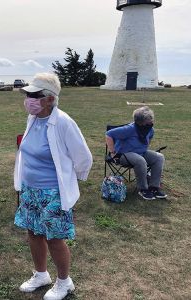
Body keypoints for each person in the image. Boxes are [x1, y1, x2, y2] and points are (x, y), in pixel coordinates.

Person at [14, 73, 93, 300]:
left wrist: (69, 182)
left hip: (53, 191)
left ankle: (64, 282)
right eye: (28, 94)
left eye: (34, 95)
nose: (29, 98)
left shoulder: (64, 122)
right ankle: (41, 275)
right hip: (30, 189)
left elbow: (83, 158)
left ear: (50, 99)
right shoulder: (33, 118)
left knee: (54, 238)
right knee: (34, 233)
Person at [105, 106, 167, 200]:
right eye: (148, 120)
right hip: (122, 155)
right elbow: (109, 134)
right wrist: (113, 153)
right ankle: (143, 189)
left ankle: (154, 187)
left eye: (151, 119)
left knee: (159, 157)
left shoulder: (150, 129)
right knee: (140, 160)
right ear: (140, 122)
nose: (151, 122)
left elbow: (149, 139)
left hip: (140, 153)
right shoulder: (129, 129)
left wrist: (143, 148)